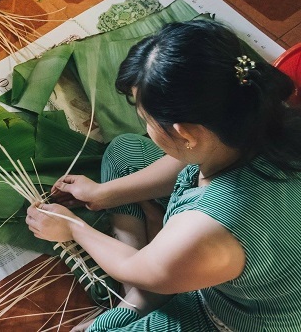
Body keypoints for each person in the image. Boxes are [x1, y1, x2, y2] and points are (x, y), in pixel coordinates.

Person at [26, 20, 301, 331]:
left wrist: (72, 228)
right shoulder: (257, 119)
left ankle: (147, 288)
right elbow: (181, 164)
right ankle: (147, 287)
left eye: (146, 119)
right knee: (125, 150)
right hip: (193, 259)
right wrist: (101, 195)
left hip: (229, 316)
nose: (145, 127)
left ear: (185, 134)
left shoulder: (213, 225)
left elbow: (134, 265)